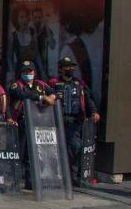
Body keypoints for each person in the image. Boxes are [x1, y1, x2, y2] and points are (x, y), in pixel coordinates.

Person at [48, 56, 100, 187]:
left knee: (75, 148)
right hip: (58, 120)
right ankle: (60, 176)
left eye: (72, 66)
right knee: (59, 148)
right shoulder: (53, 83)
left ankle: (72, 176)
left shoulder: (79, 83)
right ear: (60, 69)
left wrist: (94, 111)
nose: (70, 69)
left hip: (75, 120)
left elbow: (88, 99)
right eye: (67, 67)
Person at [9, 60, 56, 189]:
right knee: (19, 152)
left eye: (29, 71)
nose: (27, 74)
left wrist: (51, 97)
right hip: (21, 122)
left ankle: (31, 182)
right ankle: (15, 182)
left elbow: (54, 92)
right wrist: (41, 98)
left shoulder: (40, 84)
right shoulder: (16, 85)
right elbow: (22, 94)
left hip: (38, 123)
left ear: (34, 72)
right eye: (25, 71)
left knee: (33, 154)